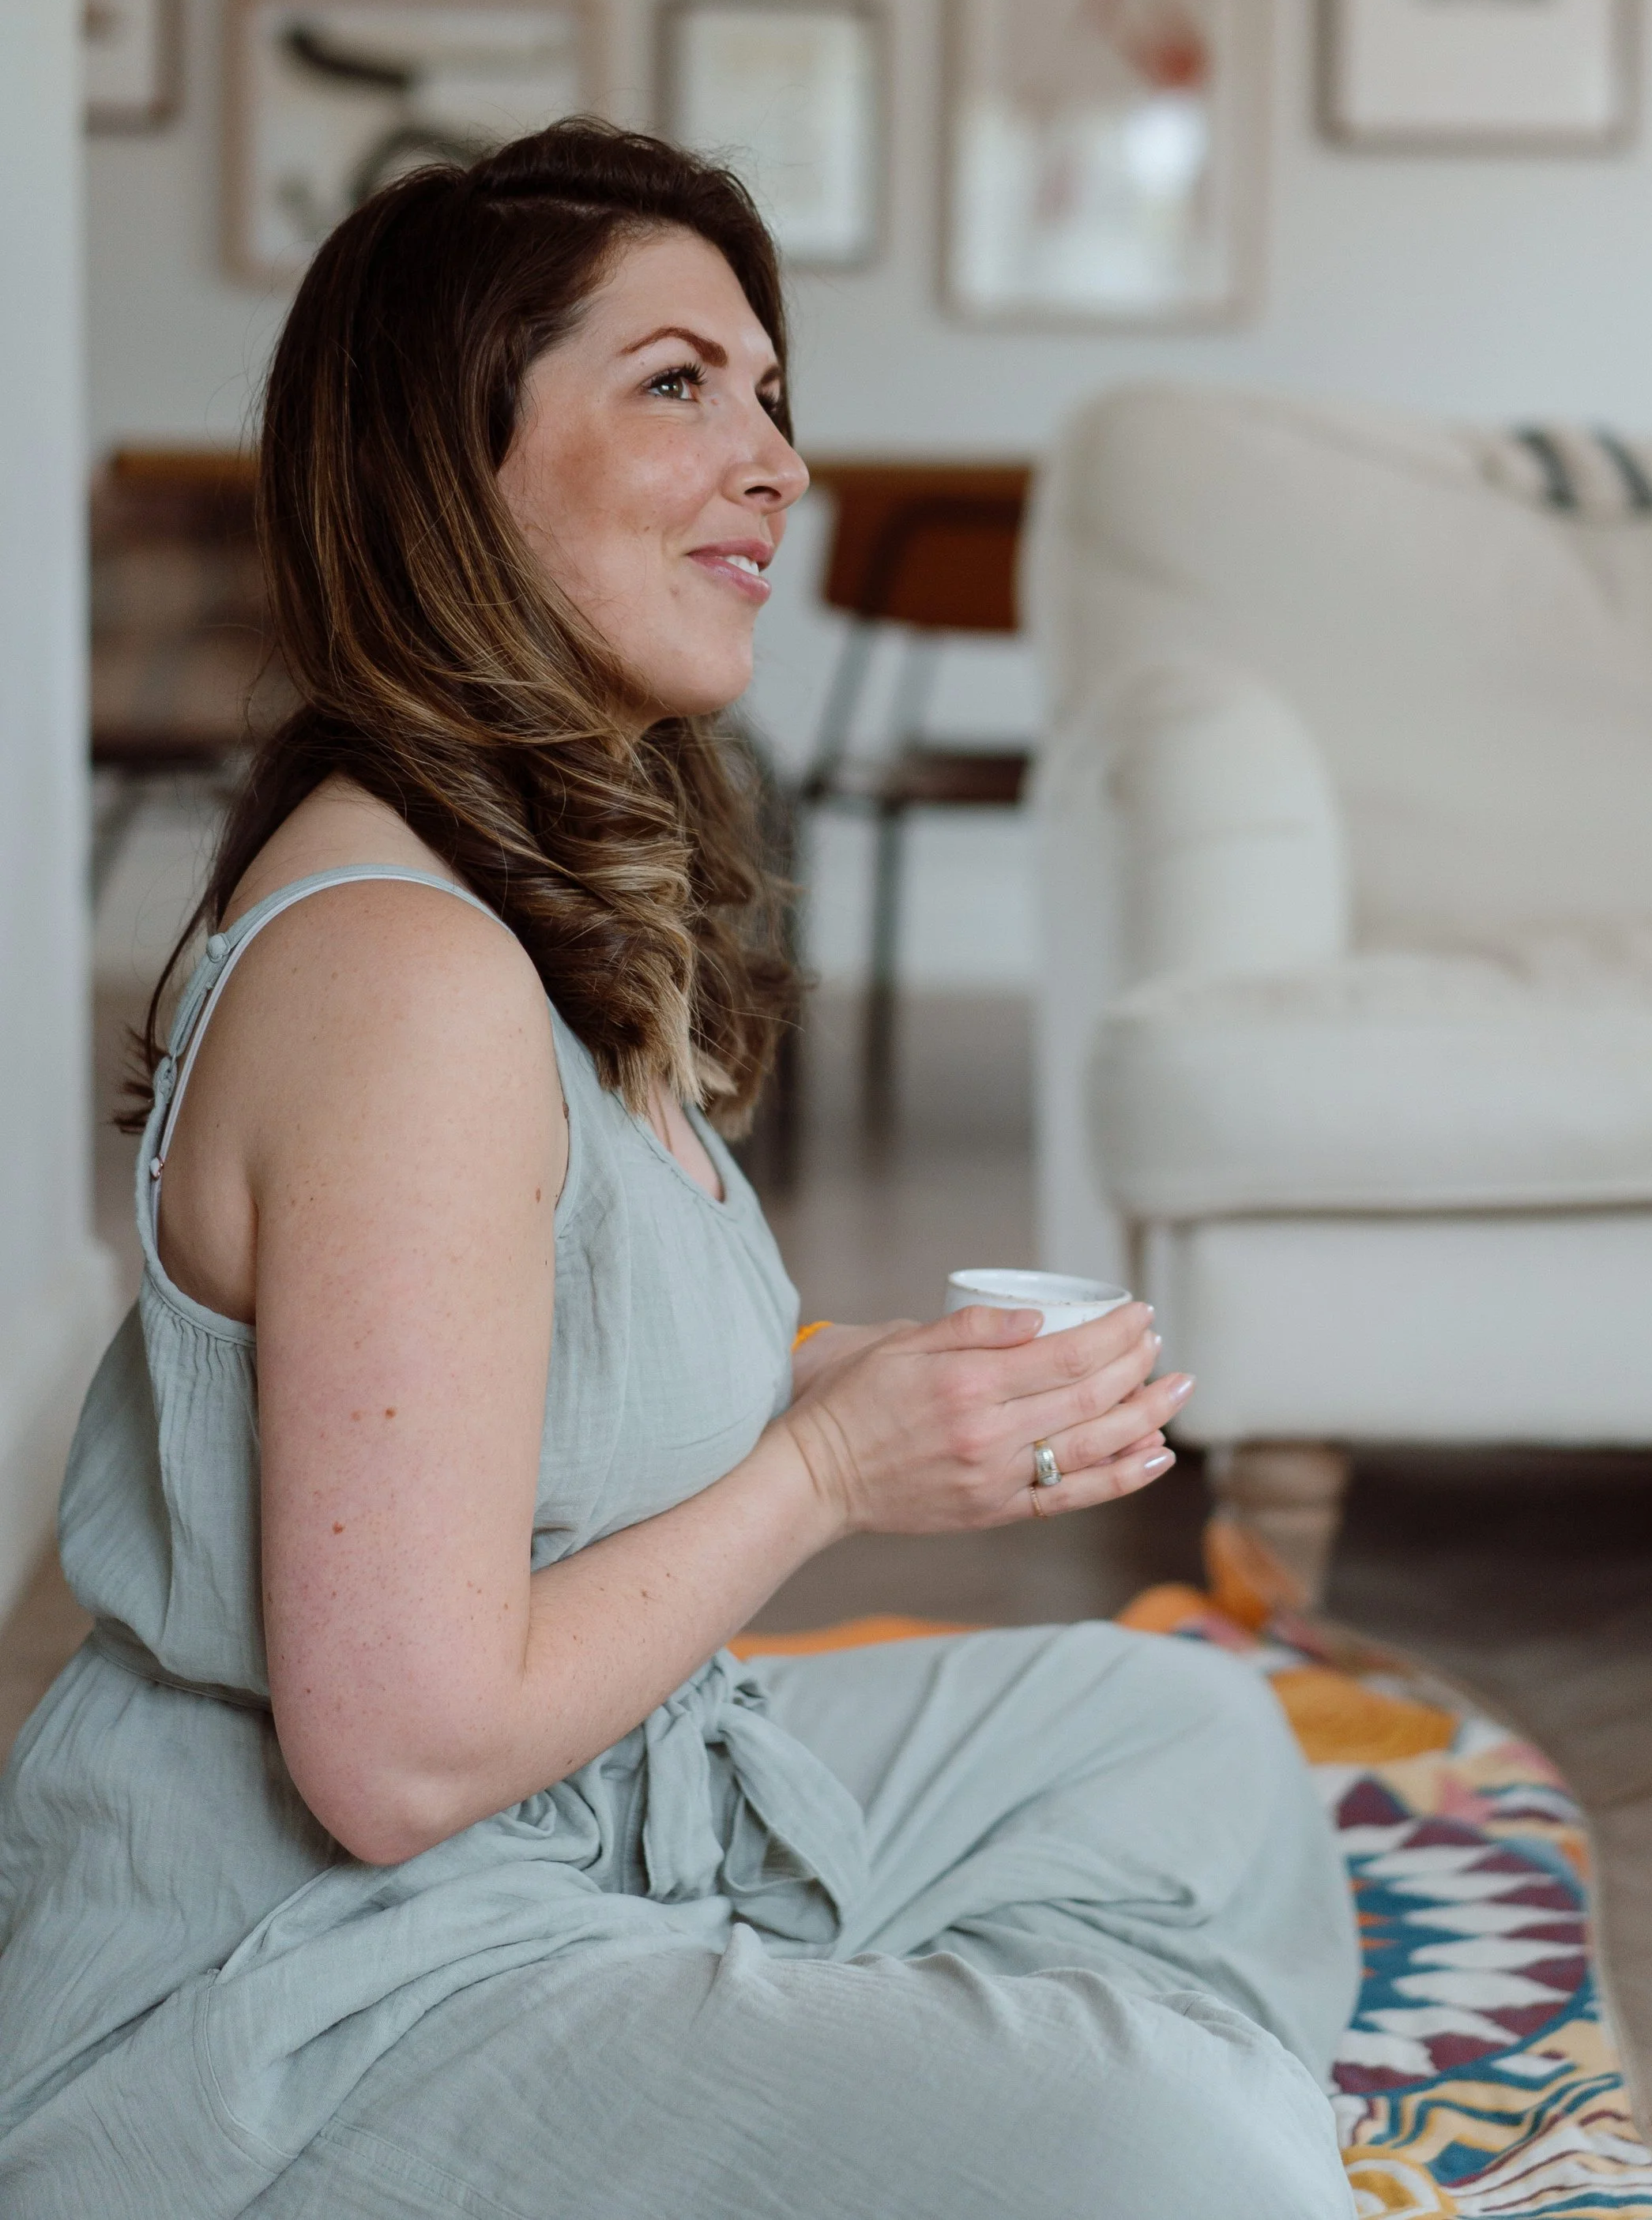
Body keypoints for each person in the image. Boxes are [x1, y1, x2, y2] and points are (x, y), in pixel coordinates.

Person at [0, 124, 1359, 2218]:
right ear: (454, 469)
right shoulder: (398, 975)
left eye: (771, 395)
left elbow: (526, 1385)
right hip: (312, 1983)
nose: (778, 464)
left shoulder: (522, 890)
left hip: (605, 1812)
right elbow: (398, 1757)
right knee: (1187, 2153)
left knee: (1182, 1757)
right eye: (676, 384)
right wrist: (826, 1475)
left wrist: (826, 1380)